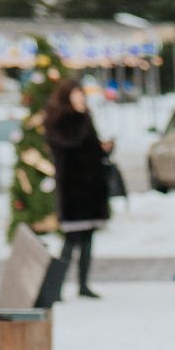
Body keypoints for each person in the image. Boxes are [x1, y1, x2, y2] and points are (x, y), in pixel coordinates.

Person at [42, 77, 112, 299]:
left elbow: (91, 148)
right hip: (73, 188)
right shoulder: (58, 119)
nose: (81, 98)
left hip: (91, 189)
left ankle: (83, 284)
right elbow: (70, 142)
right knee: (71, 240)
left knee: (88, 239)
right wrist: (81, 117)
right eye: (77, 94)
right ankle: (57, 288)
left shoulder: (84, 117)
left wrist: (105, 148)